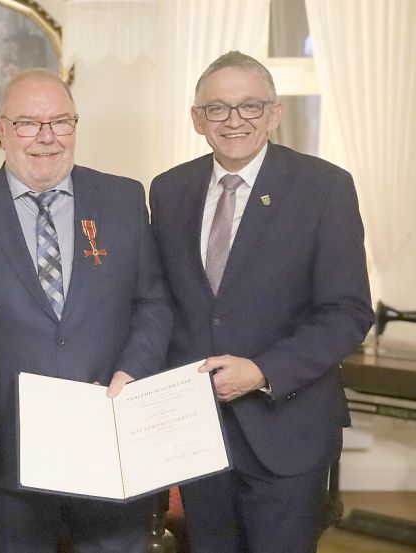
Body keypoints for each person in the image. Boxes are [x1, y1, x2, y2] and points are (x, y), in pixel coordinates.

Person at [0, 68, 173, 552]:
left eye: (60, 122)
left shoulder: (122, 197)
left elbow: (153, 304)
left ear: (76, 126)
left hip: (111, 442)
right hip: (4, 460)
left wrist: (131, 373)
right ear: (2, 128)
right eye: (29, 123)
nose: (46, 138)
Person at [148, 51, 374, 553]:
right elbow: (161, 301)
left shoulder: (324, 187)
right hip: (196, 433)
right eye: (218, 108)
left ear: (274, 114)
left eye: (250, 106)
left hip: (287, 429)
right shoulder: (168, 191)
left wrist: (263, 371)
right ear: (196, 119)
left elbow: (349, 310)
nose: (234, 120)